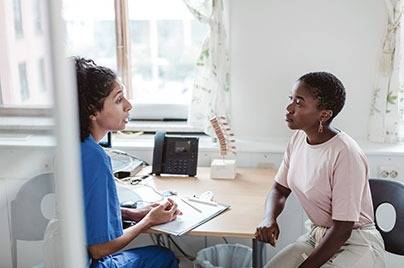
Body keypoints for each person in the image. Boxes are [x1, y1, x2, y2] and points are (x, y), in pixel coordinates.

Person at [255, 72, 386, 268]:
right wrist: (269, 218)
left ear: (324, 114)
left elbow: (343, 229)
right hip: (318, 236)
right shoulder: (298, 139)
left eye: (299, 103)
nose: (289, 108)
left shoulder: (346, 154)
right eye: (291, 99)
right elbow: (279, 189)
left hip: (356, 243)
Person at [75, 57, 180, 268]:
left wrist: (131, 213)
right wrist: (148, 221)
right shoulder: (95, 159)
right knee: (164, 257)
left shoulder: (75, 147)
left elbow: (81, 212)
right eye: (118, 99)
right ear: (92, 111)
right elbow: (99, 249)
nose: (129, 106)